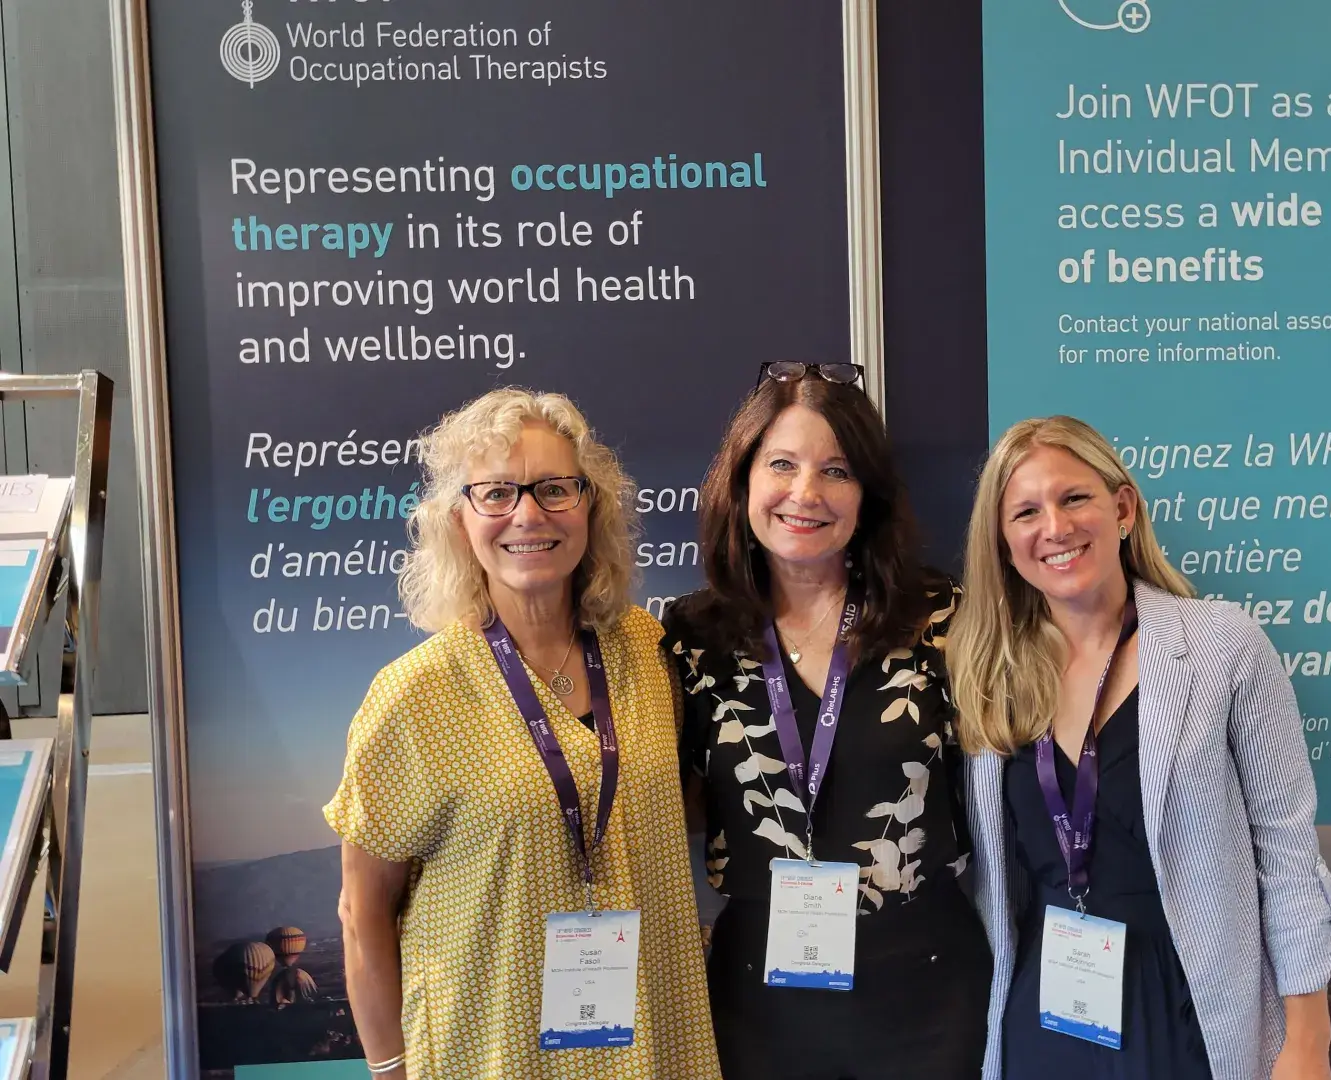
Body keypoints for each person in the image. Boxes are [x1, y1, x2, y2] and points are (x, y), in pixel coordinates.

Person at [323, 389, 721, 1079]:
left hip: (654, 1044)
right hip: (491, 1050)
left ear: (590, 506)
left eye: (553, 489)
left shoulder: (649, 652)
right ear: (459, 519)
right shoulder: (414, 696)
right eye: (497, 493)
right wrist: (388, 1068)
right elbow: (362, 913)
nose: (528, 515)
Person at [947, 415, 1331, 1080]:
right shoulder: (990, 674)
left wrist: (1307, 1042)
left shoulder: (1224, 647)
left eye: (1075, 498)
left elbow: (1287, 852)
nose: (1055, 526)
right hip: (1046, 1008)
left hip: (1187, 1004)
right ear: (1004, 544)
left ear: (1123, 509)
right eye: (1025, 512)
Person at [661, 361, 991, 1079]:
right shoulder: (692, 635)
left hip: (926, 988)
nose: (805, 494)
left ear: (867, 494)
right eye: (782, 464)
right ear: (743, 479)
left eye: (836, 471)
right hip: (759, 997)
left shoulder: (940, 619)